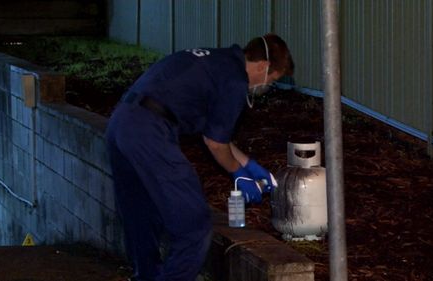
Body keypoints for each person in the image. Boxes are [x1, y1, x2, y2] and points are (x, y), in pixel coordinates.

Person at [106, 33, 294, 281]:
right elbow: (215, 144)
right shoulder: (235, 80)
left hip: (122, 123)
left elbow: (216, 135)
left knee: (141, 214)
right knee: (193, 225)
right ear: (263, 66)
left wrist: (249, 165)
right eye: (272, 80)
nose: (267, 87)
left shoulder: (218, 61)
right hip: (150, 132)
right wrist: (237, 173)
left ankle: (146, 276)